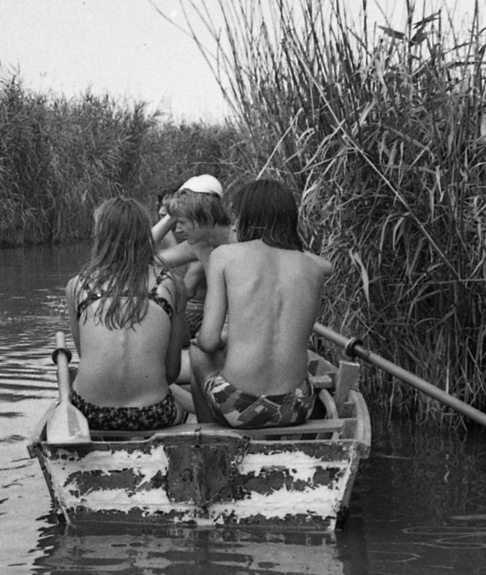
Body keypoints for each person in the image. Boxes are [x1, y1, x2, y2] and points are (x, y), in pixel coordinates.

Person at [188, 179, 334, 429]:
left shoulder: (224, 256)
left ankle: (209, 442)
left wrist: (227, 339)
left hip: (236, 408)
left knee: (198, 355)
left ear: (246, 217)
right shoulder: (313, 268)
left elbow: (208, 341)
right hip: (296, 407)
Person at [64, 197, 191, 431]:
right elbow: (171, 373)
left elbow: (86, 356)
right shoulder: (171, 284)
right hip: (152, 414)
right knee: (183, 409)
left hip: (91, 413)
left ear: (101, 237)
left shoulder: (77, 285)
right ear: (144, 236)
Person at [152, 174, 234, 346]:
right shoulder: (199, 245)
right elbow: (138, 255)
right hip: (214, 329)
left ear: (201, 216)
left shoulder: (241, 242)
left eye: (181, 221)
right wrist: (173, 214)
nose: (177, 228)